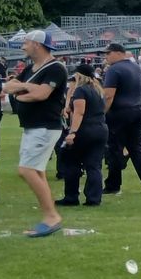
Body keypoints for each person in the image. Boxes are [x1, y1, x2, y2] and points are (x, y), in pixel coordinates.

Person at [1, 31, 68, 236]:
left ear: (37, 45)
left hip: (45, 127)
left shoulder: (56, 68)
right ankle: (49, 215)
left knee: (26, 170)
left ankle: (52, 216)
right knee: (37, 171)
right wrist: (24, 89)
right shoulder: (30, 68)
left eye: (26, 43)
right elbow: (8, 87)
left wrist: (22, 90)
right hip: (32, 127)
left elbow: (41, 94)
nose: (23, 47)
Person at [101, 42, 141, 196]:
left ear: (118, 53)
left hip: (119, 113)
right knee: (136, 148)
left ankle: (113, 185)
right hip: (137, 111)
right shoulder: (136, 68)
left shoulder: (113, 70)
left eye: (108, 53)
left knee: (114, 149)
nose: (106, 57)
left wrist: (101, 114)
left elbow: (108, 95)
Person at [56, 64, 107, 208]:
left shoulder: (81, 90)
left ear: (79, 76)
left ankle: (71, 196)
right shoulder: (98, 90)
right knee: (94, 166)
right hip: (101, 129)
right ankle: (94, 198)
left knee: (71, 163)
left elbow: (80, 112)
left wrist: (72, 132)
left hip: (85, 130)